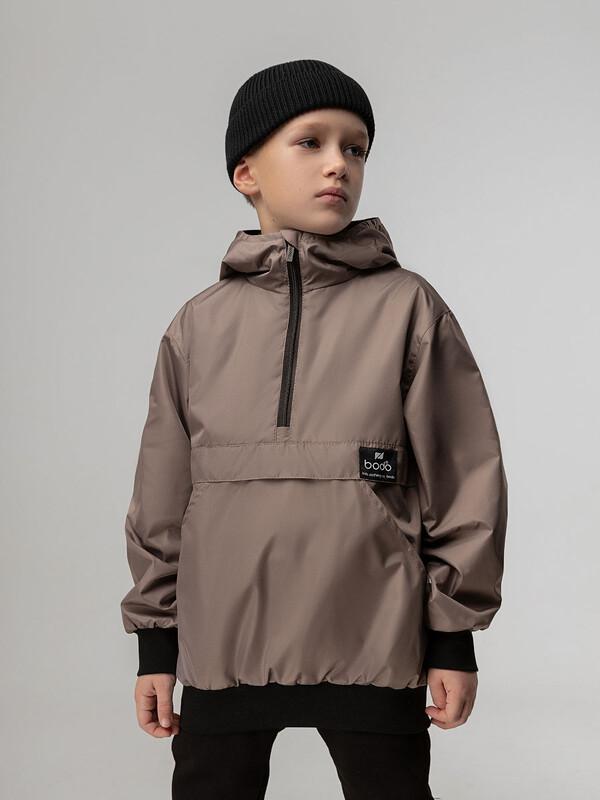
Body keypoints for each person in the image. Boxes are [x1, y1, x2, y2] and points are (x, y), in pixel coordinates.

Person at [120, 59, 508, 800]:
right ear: (246, 173)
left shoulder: (408, 308)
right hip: (225, 646)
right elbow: (162, 496)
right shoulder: (198, 327)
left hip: (374, 641)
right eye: (311, 142)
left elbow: (464, 479)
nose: (340, 164)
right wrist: (156, 646)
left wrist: (452, 637)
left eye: (356, 148)